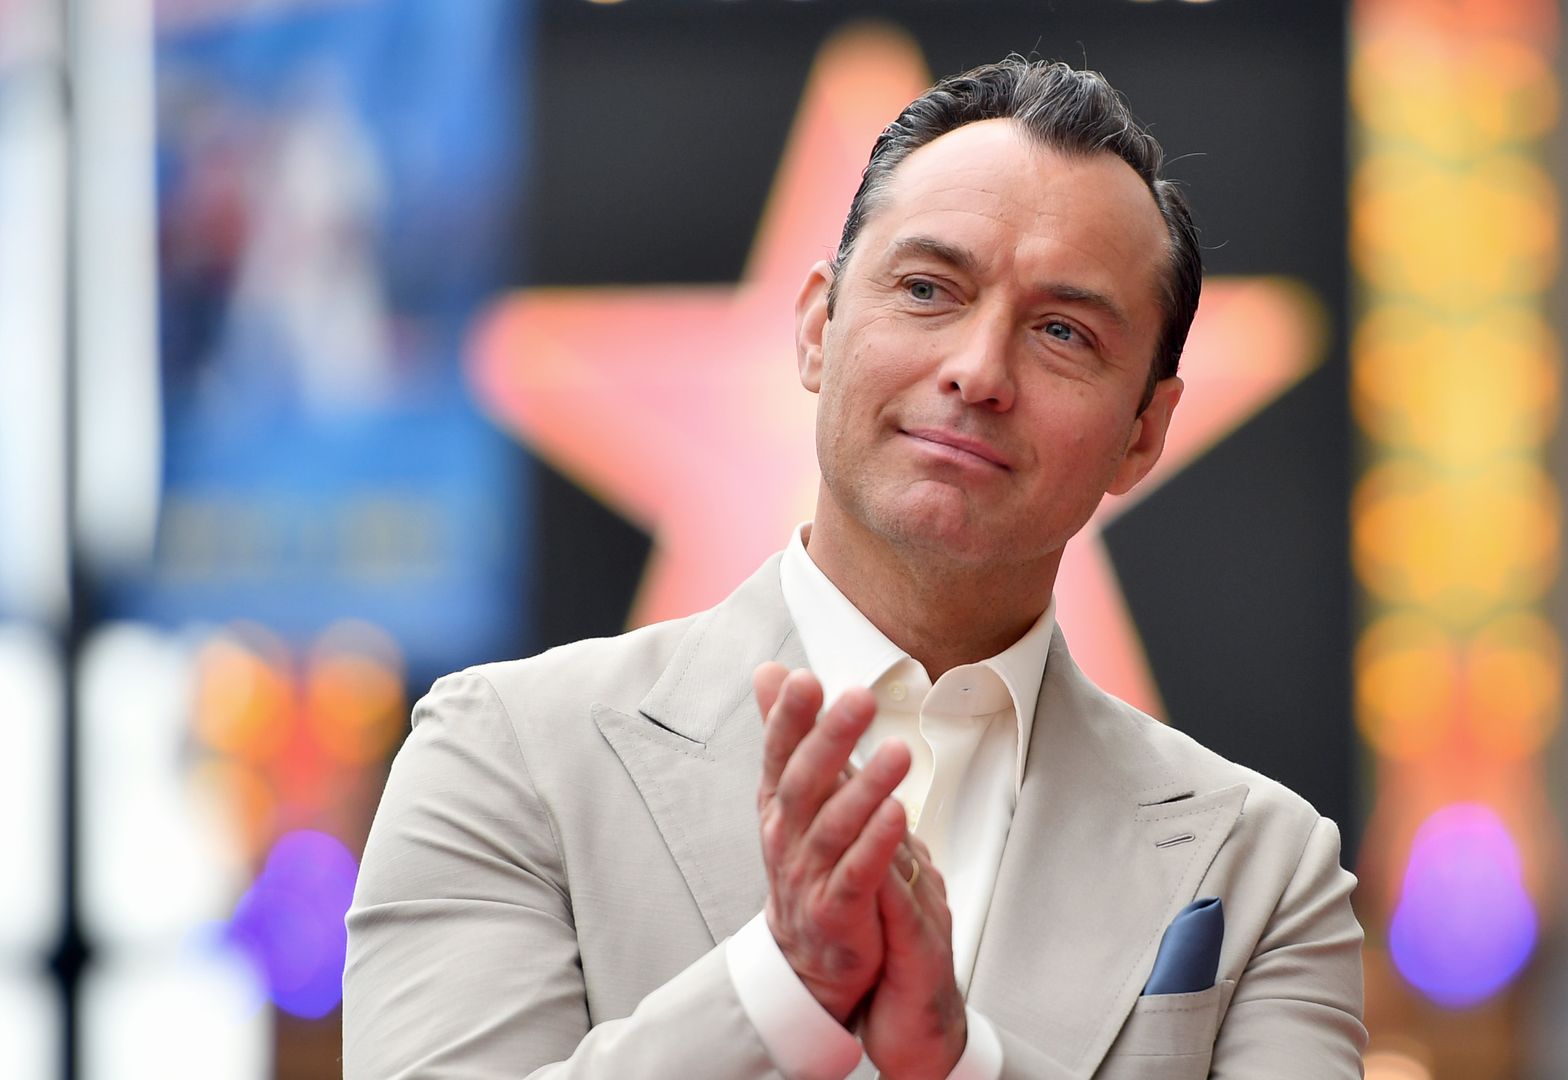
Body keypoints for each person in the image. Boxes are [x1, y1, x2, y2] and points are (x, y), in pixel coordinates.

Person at [344, 57, 1365, 1080]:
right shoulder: (503, 755)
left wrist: (961, 1064)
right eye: (928, 289)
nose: (977, 369)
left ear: (1145, 433)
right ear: (819, 328)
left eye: (1063, 331)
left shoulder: (1266, 865)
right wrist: (780, 992)